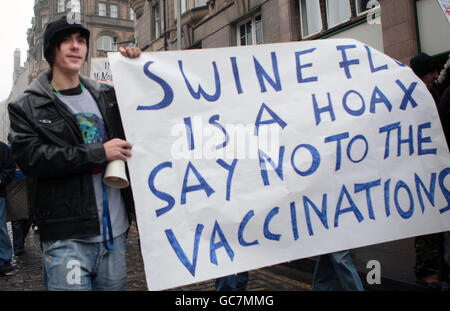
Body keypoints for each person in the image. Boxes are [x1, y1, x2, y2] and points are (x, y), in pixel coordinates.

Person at [7, 16, 141, 290]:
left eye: (81, 40)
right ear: (50, 50)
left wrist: (136, 68)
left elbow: (146, 116)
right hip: (66, 238)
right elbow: (33, 159)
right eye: (66, 41)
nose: (75, 46)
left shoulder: (105, 94)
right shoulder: (27, 105)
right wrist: (98, 153)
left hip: (114, 234)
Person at [5, 163, 32, 256]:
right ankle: (18, 246)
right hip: (12, 183)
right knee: (16, 217)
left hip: (27, 181)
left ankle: (20, 241)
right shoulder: (7, 149)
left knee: (28, 216)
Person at [0, 141, 15, 275]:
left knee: (0, 227)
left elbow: (9, 169)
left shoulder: (2, 148)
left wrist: (0, 180)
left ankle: (3, 260)